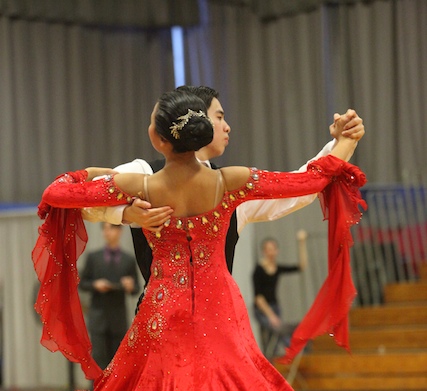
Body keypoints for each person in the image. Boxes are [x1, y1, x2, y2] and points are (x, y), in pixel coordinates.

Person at [32, 88, 379, 391]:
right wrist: (342, 146)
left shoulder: (140, 184)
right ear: (201, 131)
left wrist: (115, 195)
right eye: (219, 116)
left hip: (162, 318)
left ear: (158, 137)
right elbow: (307, 182)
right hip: (220, 318)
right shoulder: (229, 182)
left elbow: (58, 191)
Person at [84, 86, 365, 285]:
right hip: (160, 327)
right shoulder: (143, 173)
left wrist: (342, 143)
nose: (227, 126)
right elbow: (85, 202)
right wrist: (124, 214)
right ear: (196, 119)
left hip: (219, 329)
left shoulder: (232, 186)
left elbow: (299, 189)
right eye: (219, 117)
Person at [79, 222, 140, 371]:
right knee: (98, 360)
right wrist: (95, 285)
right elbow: (82, 284)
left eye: (111, 228)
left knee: (118, 362)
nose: (107, 232)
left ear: (119, 231)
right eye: (104, 229)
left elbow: (137, 288)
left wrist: (130, 285)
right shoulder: (93, 257)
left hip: (118, 317)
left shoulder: (129, 259)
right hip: (98, 317)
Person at [253, 233, 307, 358]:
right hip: (262, 310)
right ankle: (295, 345)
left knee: (276, 338)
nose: (271, 252)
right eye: (268, 249)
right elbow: (259, 298)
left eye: (273, 249)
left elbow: (301, 266)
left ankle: (294, 347)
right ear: (264, 251)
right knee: (276, 332)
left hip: (275, 307)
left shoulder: (277, 268)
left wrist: (301, 243)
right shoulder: (259, 270)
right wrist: (271, 316)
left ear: (277, 251)